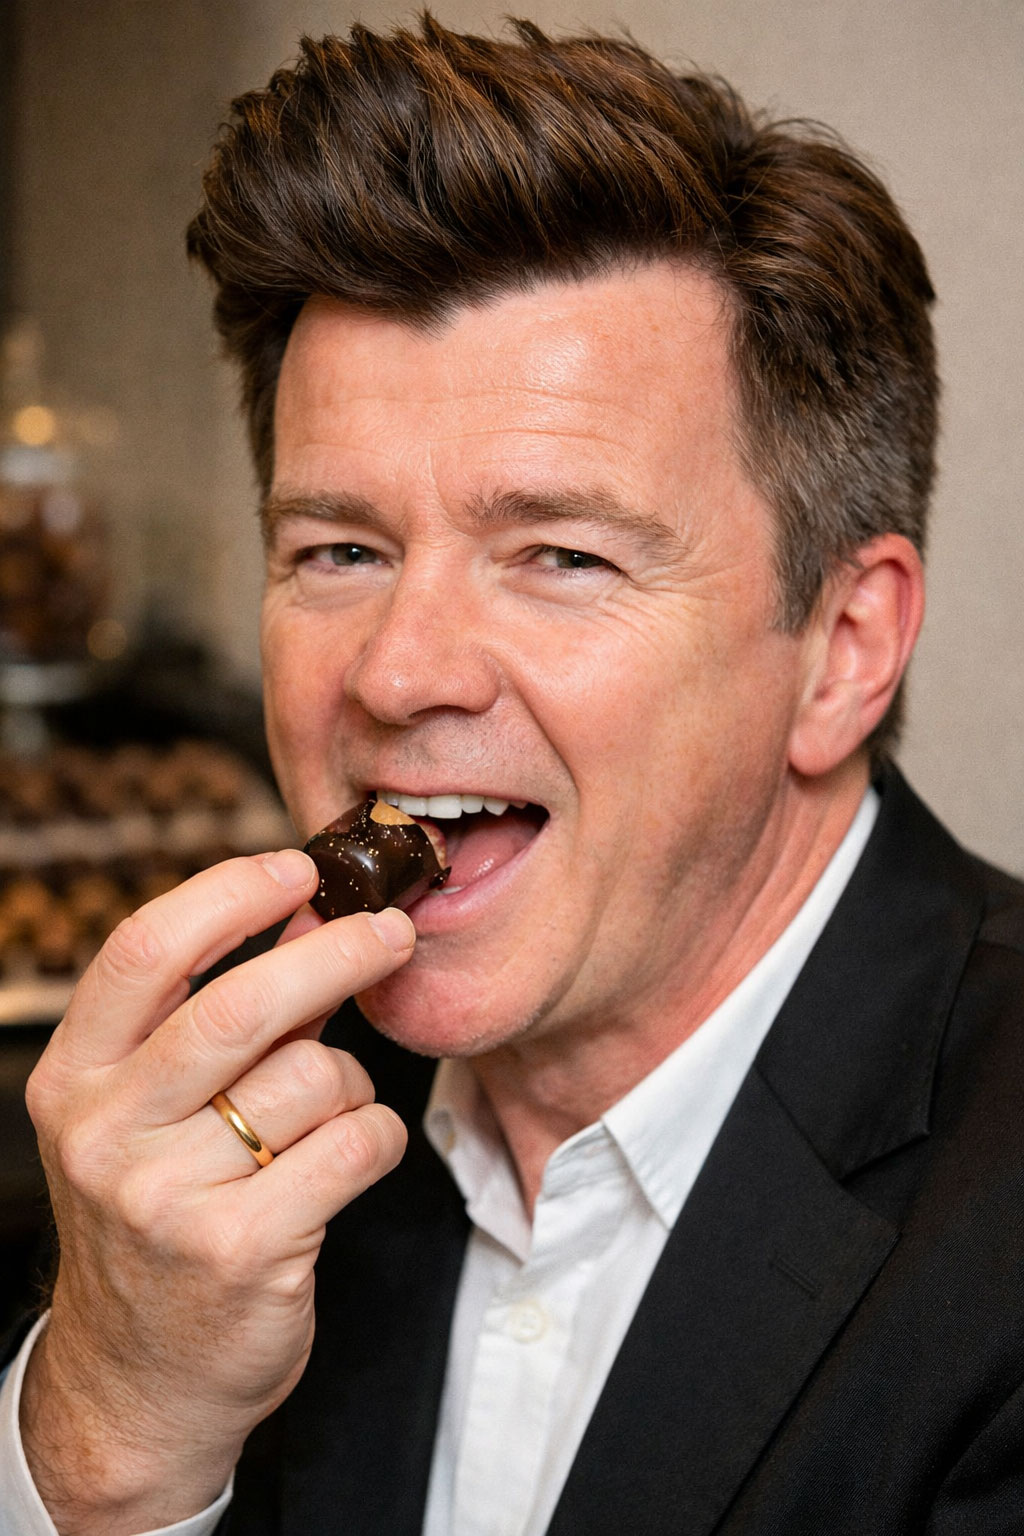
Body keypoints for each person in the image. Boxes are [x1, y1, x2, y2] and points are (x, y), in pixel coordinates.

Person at [3, 15, 1024, 1534]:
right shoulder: (188, 1159)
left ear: (841, 649)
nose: (396, 673)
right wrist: (106, 1432)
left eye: (559, 555)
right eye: (338, 551)